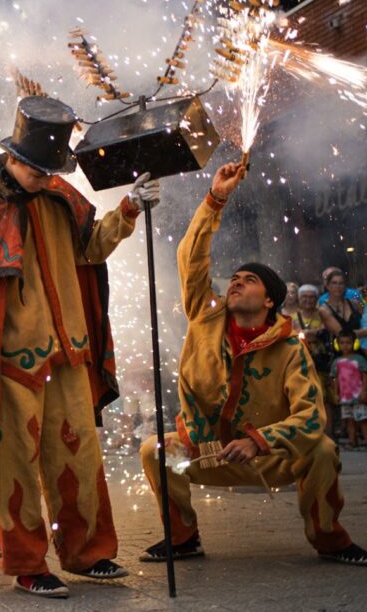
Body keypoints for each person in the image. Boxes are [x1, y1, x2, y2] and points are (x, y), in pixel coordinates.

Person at [0, 96, 158, 597]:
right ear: (15, 159)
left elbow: (91, 248)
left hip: (69, 354)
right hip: (9, 367)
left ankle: (89, 553)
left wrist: (131, 207)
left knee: (80, 457)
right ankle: (27, 562)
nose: (48, 178)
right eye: (40, 171)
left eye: (53, 170)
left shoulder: (58, 193)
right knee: (18, 468)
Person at [138, 161, 367, 568]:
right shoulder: (204, 317)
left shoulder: (290, 349)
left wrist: (259, 441)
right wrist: (216, 198)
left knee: (324, 449)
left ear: (268, 301)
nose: (237, 282)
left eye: (250, 280)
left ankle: (329, 538)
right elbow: (190, 259)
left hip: (274, 457)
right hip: (205, 453)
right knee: (156, 449)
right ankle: (184, 537)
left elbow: (312, 417)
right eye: (236, 277)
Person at [291, 284, 337, 438]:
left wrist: (310, 333)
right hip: (300, 361)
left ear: (317, 299)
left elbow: (327, 331)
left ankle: (328, 434)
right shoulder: (292, 317)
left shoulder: (322, 315)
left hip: (321, 362)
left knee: (325, 399)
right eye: (304, 297)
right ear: (299, 298)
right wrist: (313, 333)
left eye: (312, 297)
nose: (308, 300)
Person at [330, 330, 367, 450]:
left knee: (362, 419)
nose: (345, 345)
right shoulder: (337, 362)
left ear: (355, 343)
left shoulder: (359, 360)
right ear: (337, 344)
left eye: (348, 343)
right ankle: (352, 441)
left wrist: (364, 391)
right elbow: (335, 379)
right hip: (345, 397)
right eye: (342, 343)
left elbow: (364, 376)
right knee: (349, 420)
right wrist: (336, 394)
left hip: (358, 396)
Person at [319, 269, 365, 341]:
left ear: (345, 286)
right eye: (334, 283)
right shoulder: (323, 307)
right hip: (339, 348)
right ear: (327, 286)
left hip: (362, 346)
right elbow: (342, 335)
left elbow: (364, 312)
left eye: (341, 283)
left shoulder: (355, 301)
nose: (338, 286)